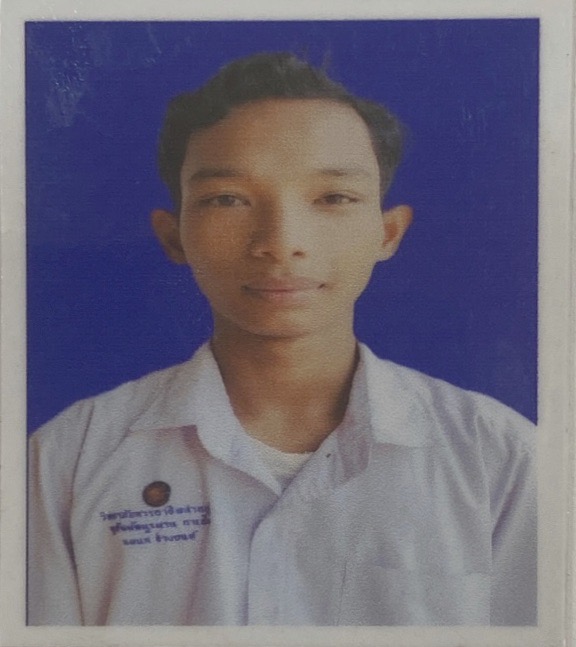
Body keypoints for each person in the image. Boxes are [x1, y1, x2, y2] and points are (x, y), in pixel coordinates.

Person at [28, 52, 536, 626]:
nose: (281, 241)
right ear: (174, 236)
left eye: (333, 198)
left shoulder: (501, 460)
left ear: (387, 232)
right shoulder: (67, 461)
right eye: (228, 198)